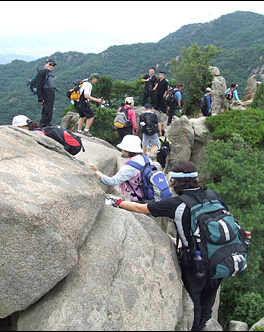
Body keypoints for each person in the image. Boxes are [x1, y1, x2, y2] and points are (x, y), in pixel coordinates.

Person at [105, 160, 224, 331]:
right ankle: (204, 322)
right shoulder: (213, 196)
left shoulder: (177, 204)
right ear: (196, 180)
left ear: (176, 182)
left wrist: (116, 202)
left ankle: (196, 327)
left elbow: (141, 209)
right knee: (209, 299)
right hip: (219, 256)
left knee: (195, 300)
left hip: (196, 263)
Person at [90, 135, 152, 203]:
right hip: (152, 196)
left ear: (126, 151)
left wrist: (98, 173)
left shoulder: (130, 167)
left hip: (140, 200)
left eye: (122, 149)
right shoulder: (147, 159)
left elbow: (112, 182)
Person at [36, 58, 57, 127]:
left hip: (50, 93)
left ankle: (46, 124)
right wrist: (40, 97)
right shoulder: (42, 72)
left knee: (48, 109)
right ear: (46, 64)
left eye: (53, 65)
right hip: (46, 93)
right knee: (47, 110)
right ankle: (44, 125)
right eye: (50, 64)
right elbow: (38, 85)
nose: (52, 66)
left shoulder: (48, 72)